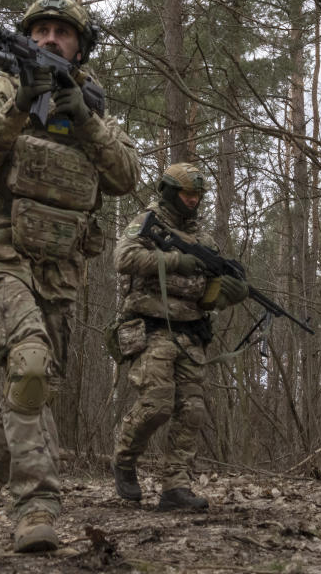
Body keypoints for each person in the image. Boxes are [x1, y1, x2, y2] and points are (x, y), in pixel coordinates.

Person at [0, 0, 139, 552]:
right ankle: (37, 510)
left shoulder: (92, 107)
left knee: (30, 391)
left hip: (56, 267)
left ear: (79, 45)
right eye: (40, 30)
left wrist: (86, 119)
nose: (49, 39)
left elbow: (124, 176)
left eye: (62, 32)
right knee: (28, 366)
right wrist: (21, 104)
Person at [109, 163, 249, 510]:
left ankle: (175, 487)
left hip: (191, 332)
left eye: (198, 195)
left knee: (192, 411)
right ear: (170, 191)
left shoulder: (204, 238)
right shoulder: (148, 222)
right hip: (151, 327)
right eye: (187, 193)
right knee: (156, 404)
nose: (193, 200)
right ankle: (124, 459)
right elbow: (122, 257)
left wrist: (228, 290)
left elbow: (206, 293)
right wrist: (173, 261)